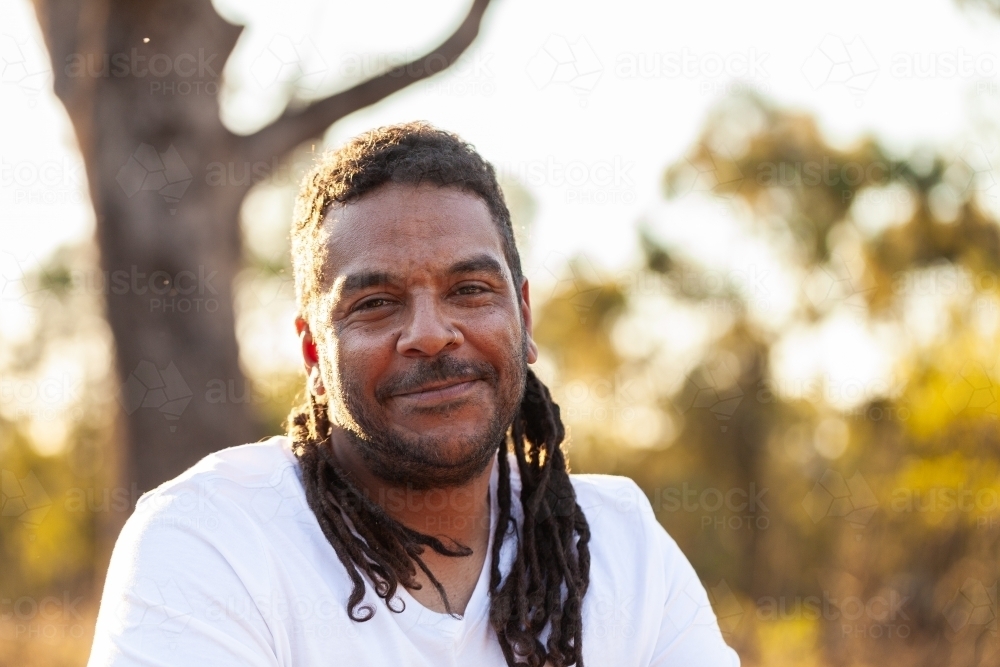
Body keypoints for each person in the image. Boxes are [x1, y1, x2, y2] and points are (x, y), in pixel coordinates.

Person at [87, 122, 740, 666]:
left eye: (469, 290)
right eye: (376, 303)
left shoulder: (622, 545)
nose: (430, 334)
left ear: (525, 317)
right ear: (314, 351)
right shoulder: (210, 541)